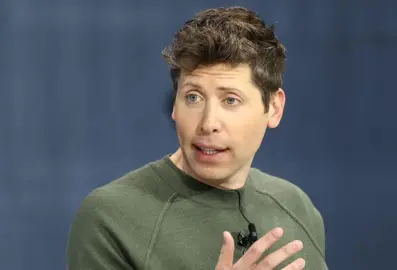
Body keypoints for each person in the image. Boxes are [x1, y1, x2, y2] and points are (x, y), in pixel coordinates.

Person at [67, 6, 328, 270]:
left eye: (230, 100)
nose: (208, 123)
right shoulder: (110, 220)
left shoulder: (297, 208)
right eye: (193, 97)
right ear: (175, 105)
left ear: (273, 108)